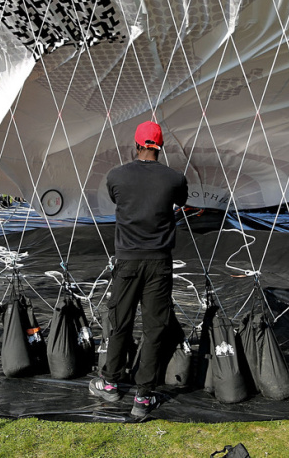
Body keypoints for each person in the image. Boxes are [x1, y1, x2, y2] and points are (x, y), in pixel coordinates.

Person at [88, 121, 188, 419]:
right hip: (159, 261)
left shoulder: (117, 176)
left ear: (136, 145)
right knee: (155, 327)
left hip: (128, 260)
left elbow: (119, 199)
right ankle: (143, 397)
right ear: (161, 146)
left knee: (121, 320)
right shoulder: (174, 178)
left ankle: (110, 382)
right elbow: (180, 202)